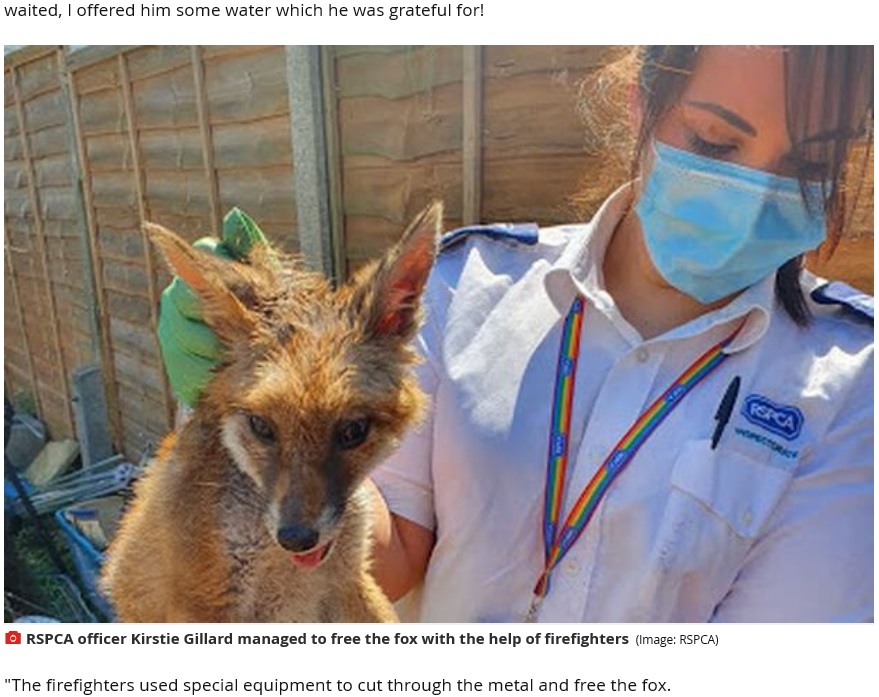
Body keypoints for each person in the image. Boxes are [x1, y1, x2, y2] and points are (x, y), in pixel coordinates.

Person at [157, 46, 874, 622]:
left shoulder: (848, 383)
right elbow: (391, 554)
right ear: (639, 104)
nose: (753, 197)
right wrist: (243, 420)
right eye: (714, 141)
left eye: (809, 164)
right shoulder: (464, 285)